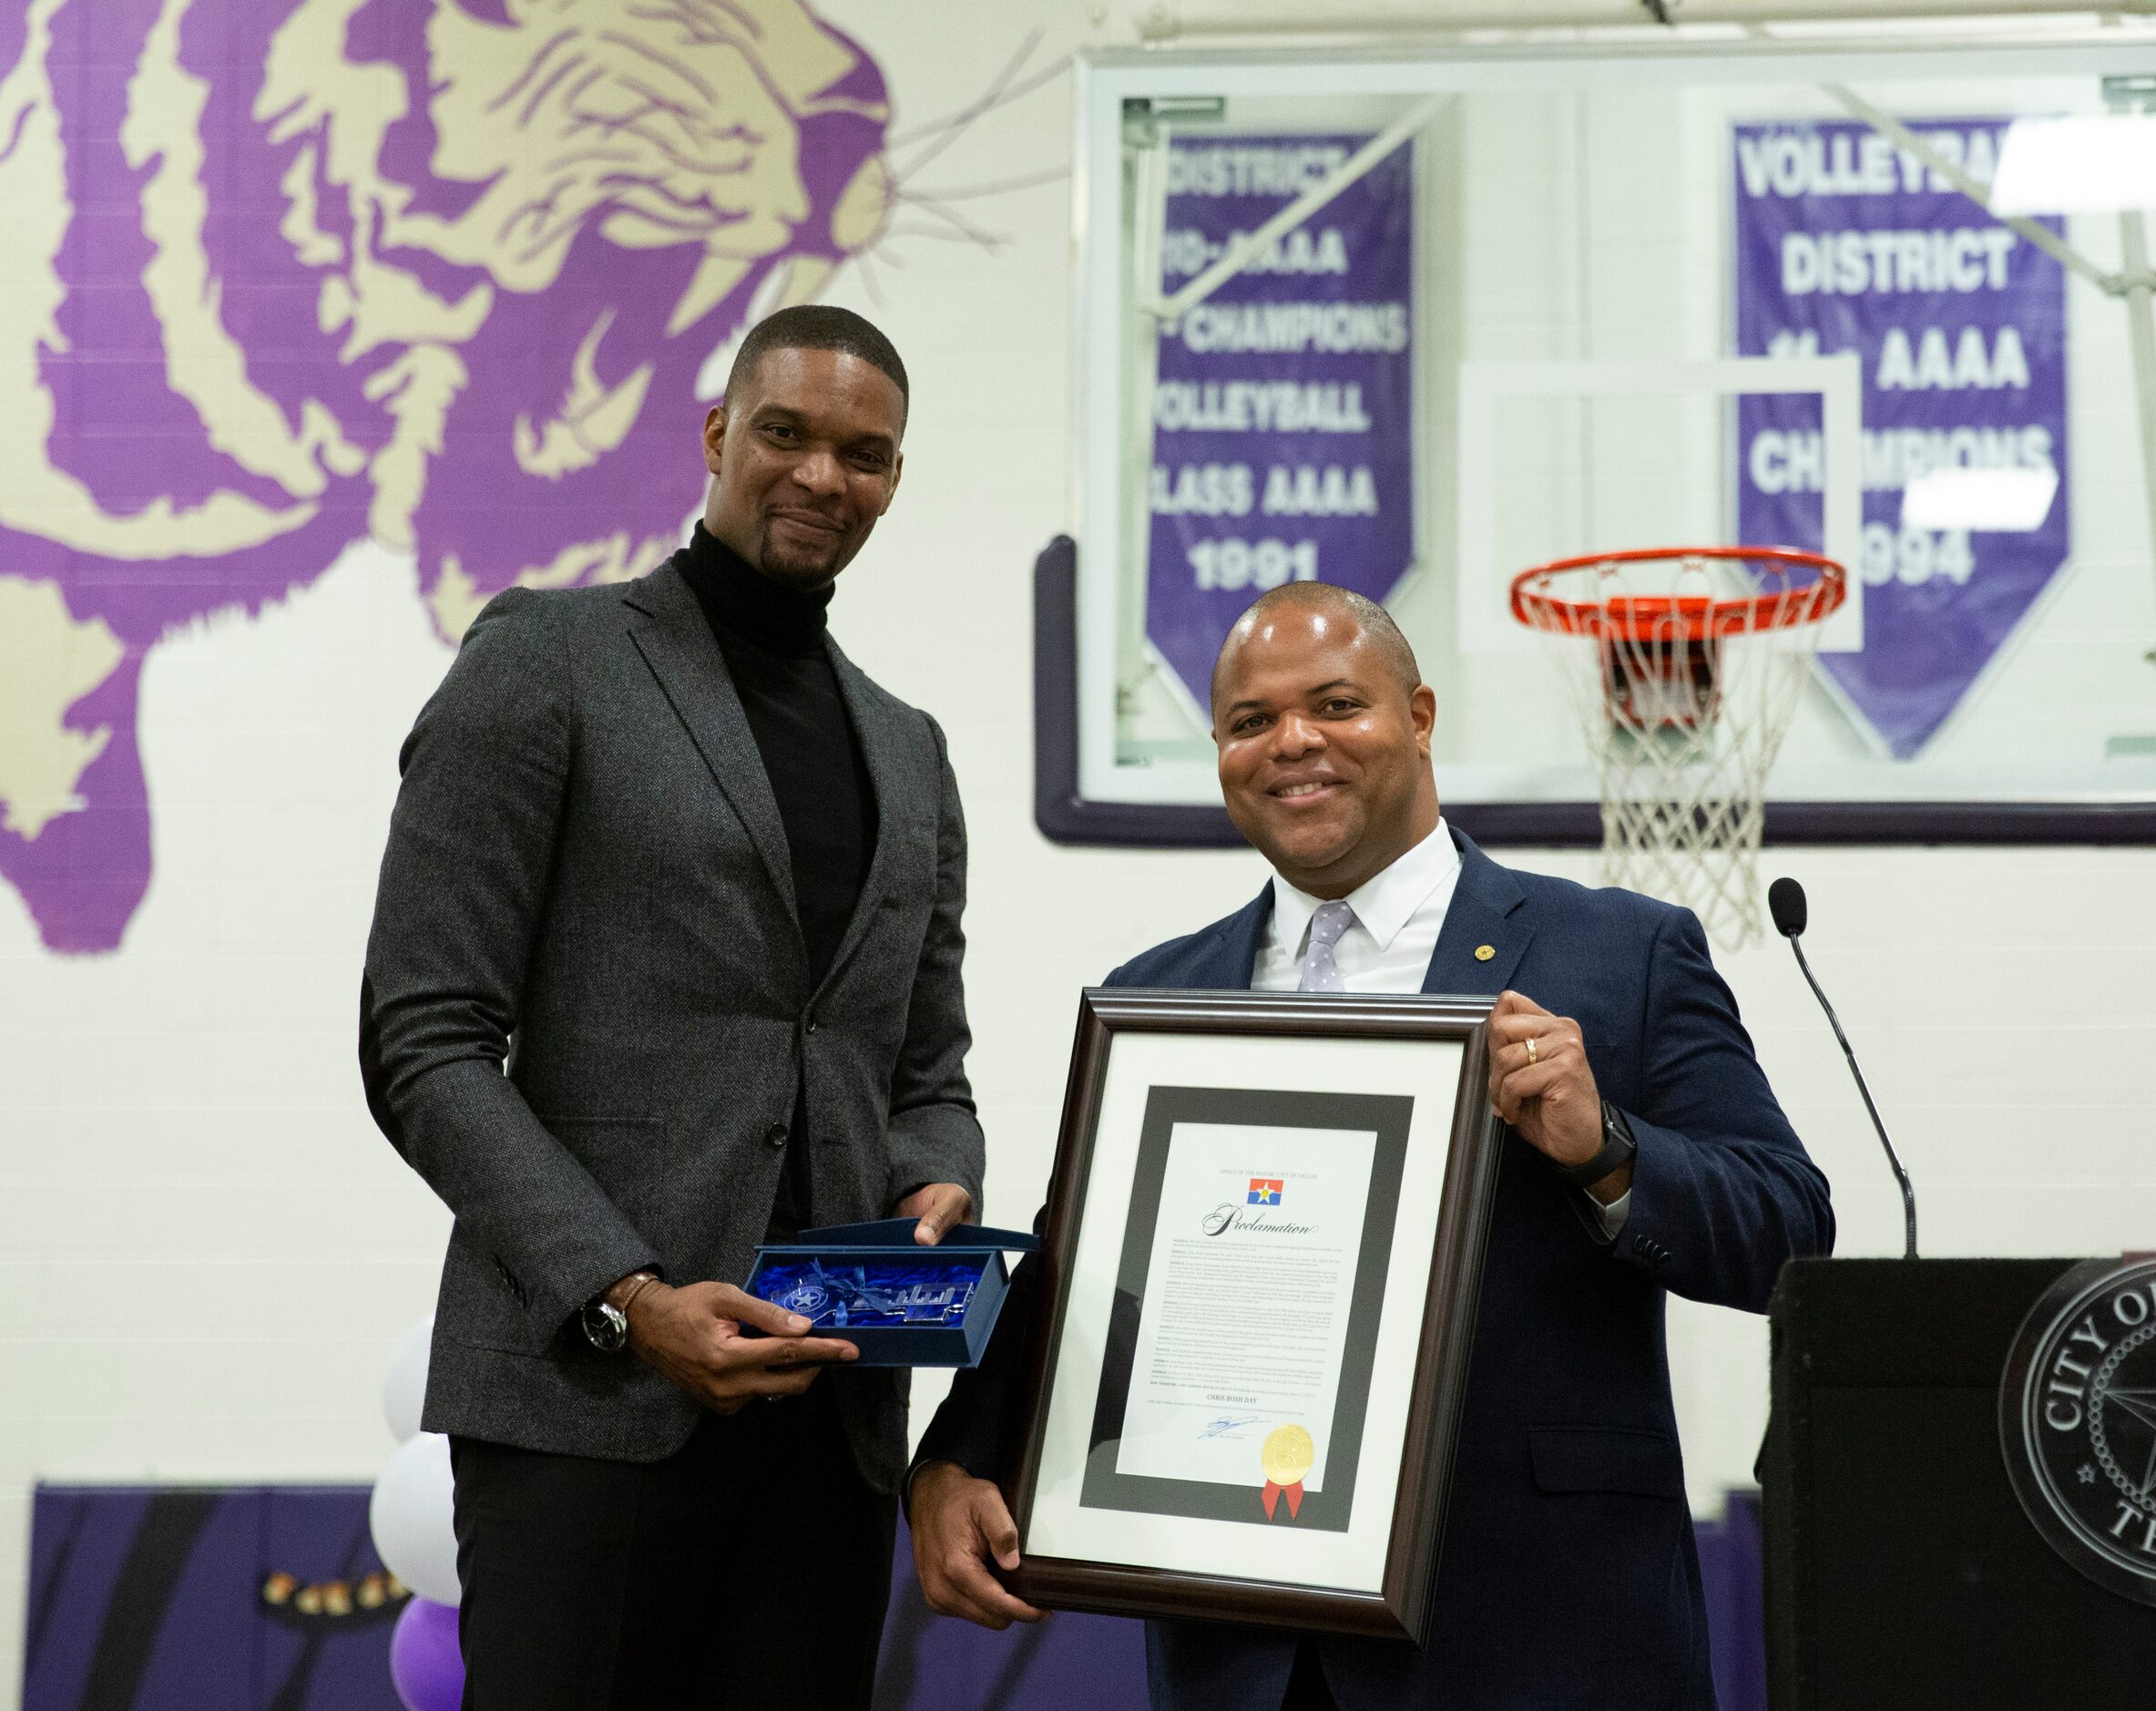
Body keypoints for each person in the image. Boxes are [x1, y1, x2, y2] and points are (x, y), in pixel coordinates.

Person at [907, 582, 1833, 1710]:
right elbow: (1076, 1261)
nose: (1292, 742)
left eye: (1337, 704)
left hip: (1543, 1634)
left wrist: (1607, 1149)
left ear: (1421, 716)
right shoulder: (1161, 993)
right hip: (1245, 1648)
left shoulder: (1620, 954)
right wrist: (961, 1449)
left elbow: (1791, 1227)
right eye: (1250, 721)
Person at [359, 304, 981, 1711]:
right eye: (788, 434)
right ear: (717, 435)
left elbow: (923, 1066)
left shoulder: (910, 748)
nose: (826, 476)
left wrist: (941, 1175)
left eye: (866, 454)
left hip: (829, 1428)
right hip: (586, 1409)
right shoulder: (547, 660)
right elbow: (426, 1037)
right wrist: (627, 1296)